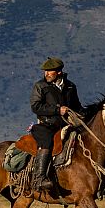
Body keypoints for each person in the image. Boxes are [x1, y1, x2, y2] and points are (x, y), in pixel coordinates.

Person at [25, 58, 82, 193]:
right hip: (46, 125)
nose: (46, 74)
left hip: (66, 125)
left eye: (49, 71)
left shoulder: (70, 86)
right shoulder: (40, 86)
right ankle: (39, 179)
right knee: (46, 142)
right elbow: (35, 106)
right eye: (45, 71)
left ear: (59, 72)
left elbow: (77, 107)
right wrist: (57, 110)